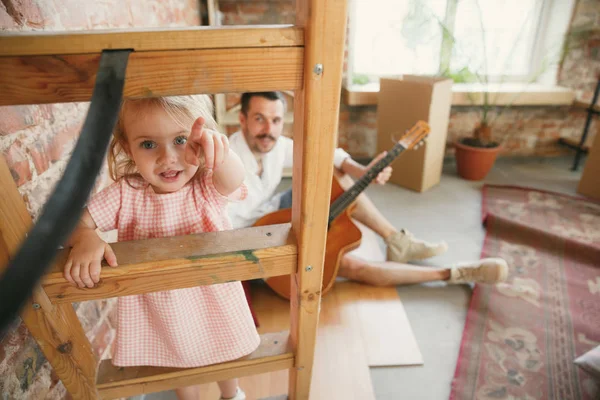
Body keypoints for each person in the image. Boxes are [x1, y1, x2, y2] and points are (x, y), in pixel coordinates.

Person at [62, 95, 254, 400]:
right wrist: (86, 236)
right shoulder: (127, 193)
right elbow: (74, 222)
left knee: (226, 354)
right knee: (177, 360)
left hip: (213, 298)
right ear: (128, 148)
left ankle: (232, 395)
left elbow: (235, 179)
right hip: (161, 308)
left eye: (181, 140)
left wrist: (221, 154)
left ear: (200, 143)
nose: (168, 158)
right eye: (148, 144)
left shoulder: (206, 185)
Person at [227, 91, 508, 286]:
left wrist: (361, 171)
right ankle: (452, 273)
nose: (269, 130)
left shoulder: (276, 146)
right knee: (348, 265)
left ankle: (396, 240)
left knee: (337, 175)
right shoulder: (227, 160)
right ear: (242, 120)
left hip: (272, 210)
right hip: (254, 239)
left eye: (276, 120)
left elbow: (331, 155)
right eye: (259, 119)